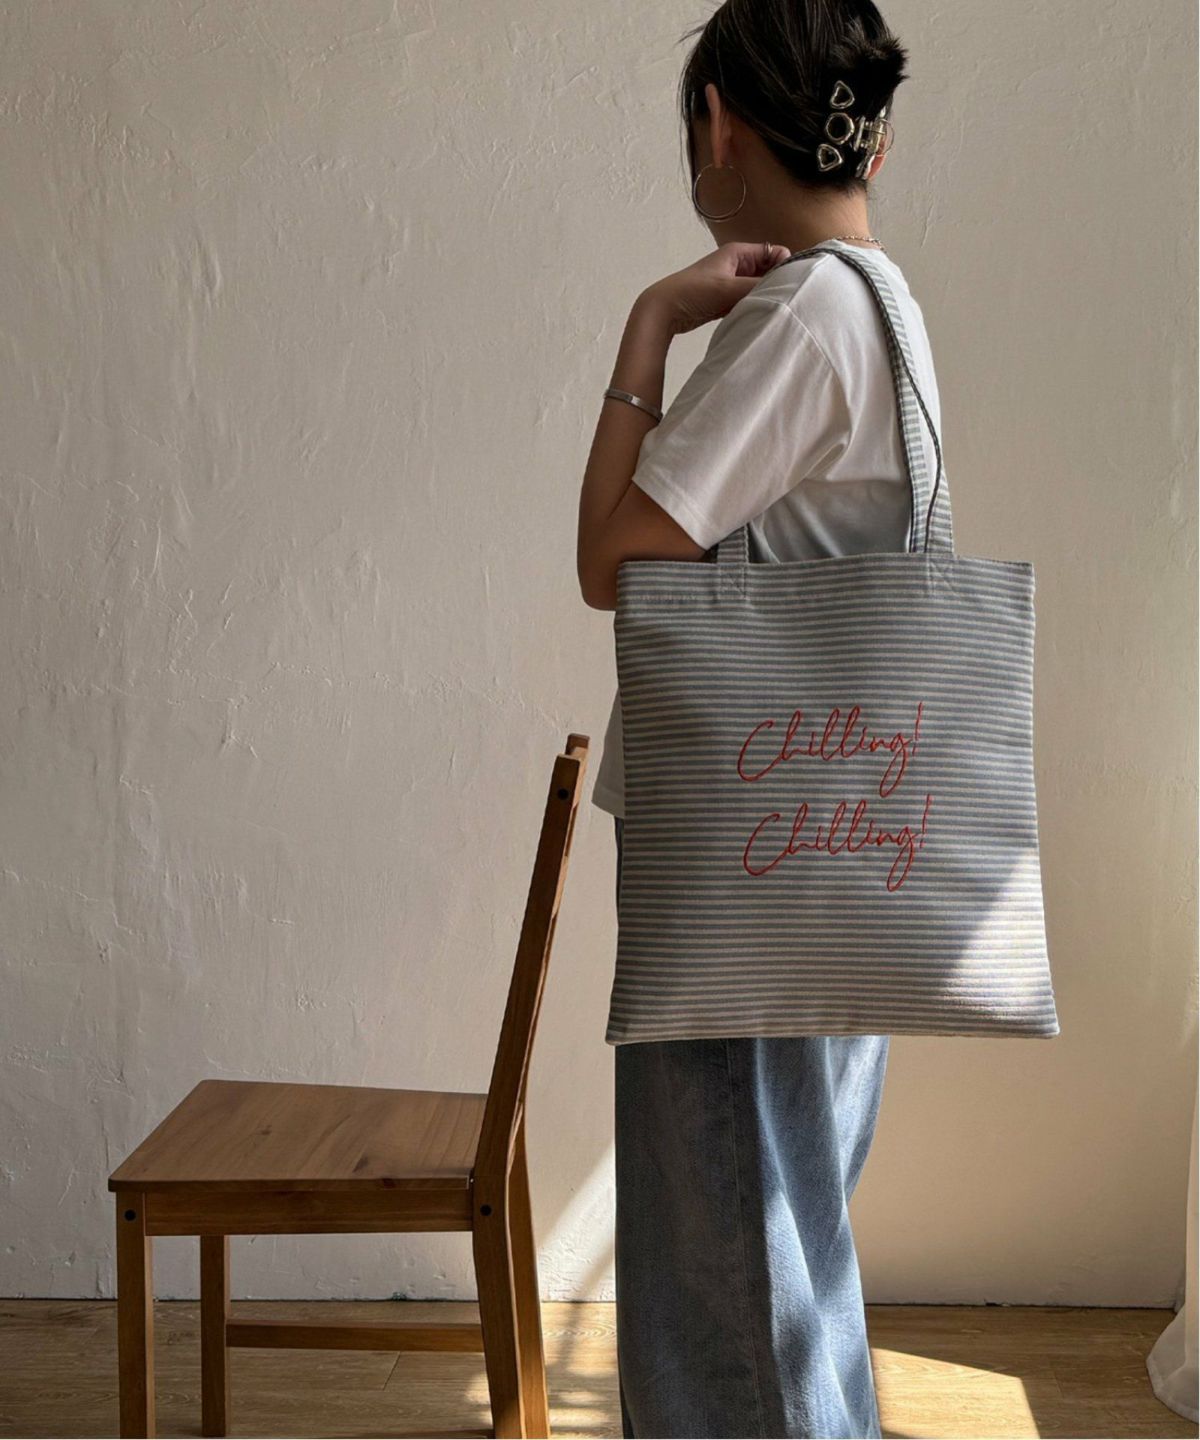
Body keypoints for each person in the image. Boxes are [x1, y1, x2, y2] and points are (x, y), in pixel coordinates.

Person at [575, 2, 939, 1435]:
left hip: (747, 855)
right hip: (836, 843)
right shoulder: (886, 304)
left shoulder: (800, 317)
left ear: (720, 124)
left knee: (733, 1267)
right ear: (873, 140)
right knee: (785, 1247)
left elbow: (612, 557)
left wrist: (652, 322)